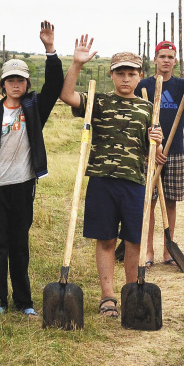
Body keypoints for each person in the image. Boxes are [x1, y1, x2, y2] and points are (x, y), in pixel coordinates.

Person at [59, 36, 164, 318]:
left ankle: (131, 293)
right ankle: (107, 297)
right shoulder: (98, 102)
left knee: (133, 241)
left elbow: (155, 154)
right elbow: (67, 96)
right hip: (102, 181)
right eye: (121, 73)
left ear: (140, 76)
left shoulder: (147, 109)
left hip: (134, 183)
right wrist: (76, 65)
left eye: (131, 73)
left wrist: (158, 141)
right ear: (112, 75)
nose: (126, 78)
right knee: (105, 240)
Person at [0, 20, 64, 316]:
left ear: (26, 83)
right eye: (10, 80)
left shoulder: (34, 108)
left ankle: (24, 302)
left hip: (22, 187)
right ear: (3, 84)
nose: (16, 84)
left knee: (20, 246)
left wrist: (50, 49)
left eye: (20, 80)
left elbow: (55, 86)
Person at [134, 41, 184, 265]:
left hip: (175, 151)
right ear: (155, 59)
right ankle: (147, 252)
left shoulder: (182, 86)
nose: (166, 60)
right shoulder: (143, 85)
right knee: (148, 203)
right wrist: (151, 148)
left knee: (170, 202)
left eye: (170, 57)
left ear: (175, 61)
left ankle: (168, 251)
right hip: (148, 152)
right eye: (162, 56)